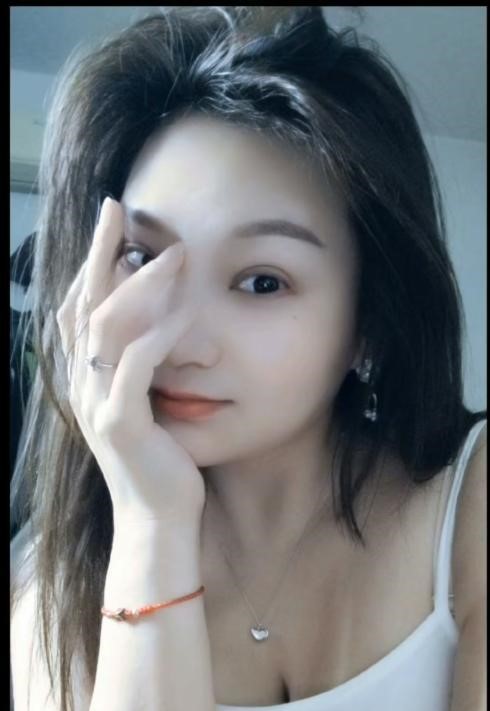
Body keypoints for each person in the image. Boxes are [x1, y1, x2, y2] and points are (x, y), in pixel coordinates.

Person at [10, 6, 486, 711]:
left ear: (370, 323)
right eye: (141, 258)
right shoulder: (48, 584)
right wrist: (152, 526)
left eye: (262, 281)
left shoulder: (471, 505)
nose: (180, 342)